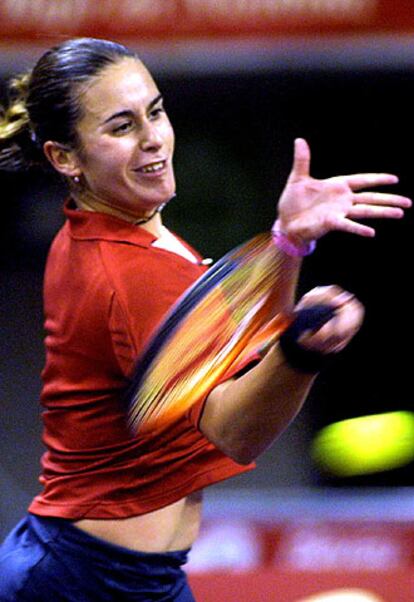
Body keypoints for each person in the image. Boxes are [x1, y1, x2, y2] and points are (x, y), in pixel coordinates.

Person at [0, 37, 410, 602]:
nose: (153, 140)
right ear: (64, 157)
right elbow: (235, 430)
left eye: (156, 111)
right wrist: (303, 353)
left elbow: (231, 346)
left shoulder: (123, 229)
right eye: (121, 127)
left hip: (99, 567)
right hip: (92, 584)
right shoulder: (128, 273)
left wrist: (286, 245)